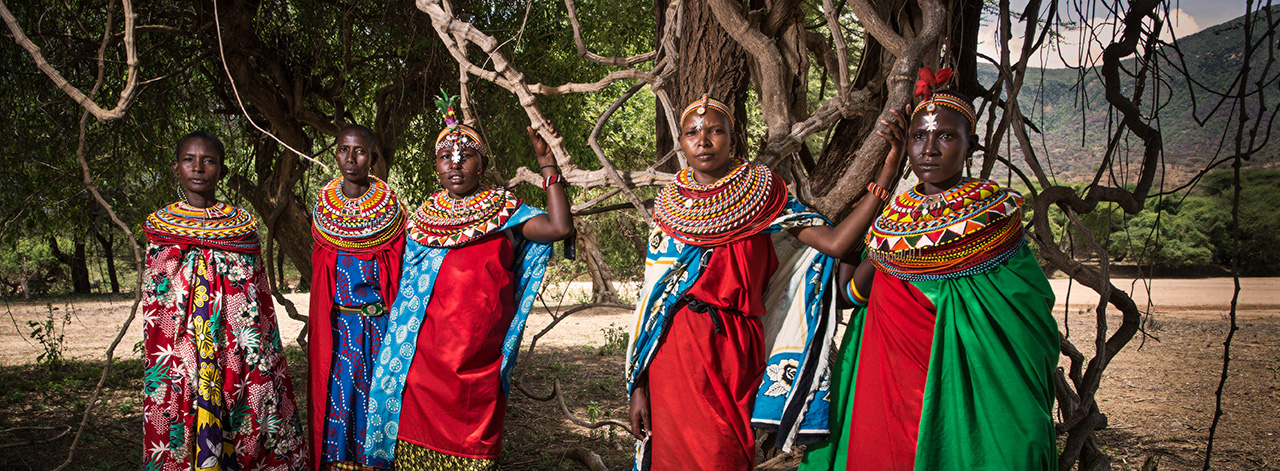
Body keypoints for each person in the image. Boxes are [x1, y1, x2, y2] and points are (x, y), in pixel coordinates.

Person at [799, 68, 1059, 470]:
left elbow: (1023, 316)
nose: (930, 149)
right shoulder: (892, 224)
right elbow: (850, 293)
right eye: (919, 137)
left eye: (946, 136)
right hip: (888, 382)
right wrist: (886, 176)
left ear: (970, 146)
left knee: (1012, 450)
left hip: (970, 380)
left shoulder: (994, 217)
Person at [624, 96, 902, 470]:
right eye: (692, 133)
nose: (703, 141)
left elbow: (835, 244)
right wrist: (638, 386)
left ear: (733, 138)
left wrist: (885, 177)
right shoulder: (669, 207)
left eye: (715, 131)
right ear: (681, 144)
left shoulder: (764, 196)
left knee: (726, 454)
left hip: (736, 348)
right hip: (674, 352)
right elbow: (651, 304)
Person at [363, 104, 573, 469]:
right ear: (436, 166)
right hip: (422, 364)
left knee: (473, 453)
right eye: (445, 156)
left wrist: (547, 163)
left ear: (483, 163)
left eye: (465, 156)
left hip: (477, 366)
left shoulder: (507, 215)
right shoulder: (422, 222)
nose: (455, 164)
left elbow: (559, 228)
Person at [141, 131, 306, 471]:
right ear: (176, 168)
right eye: (189, 160)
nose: (198, 168)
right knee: (187, 430)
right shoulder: (161, 232)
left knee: (251, 421)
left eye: (209, 160)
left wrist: (255, 353)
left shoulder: (241, 231)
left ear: (222, 171)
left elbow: (257, 300)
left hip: (238, 353)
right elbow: (158, 308)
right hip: (185, 357)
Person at [307, 125, 407, 470]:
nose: (350, 159)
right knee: (339, 401)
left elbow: (397, 271)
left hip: (380, 327)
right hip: (338, 330)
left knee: (380, 400)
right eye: (343, 150)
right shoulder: (323, 209)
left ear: (373, 158)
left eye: (360, 151)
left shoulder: (390, 210)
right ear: (335, 153)